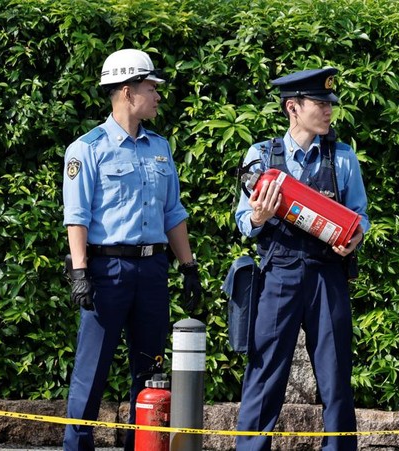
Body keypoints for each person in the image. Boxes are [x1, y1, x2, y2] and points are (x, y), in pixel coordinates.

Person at [61, 48, 202, 451]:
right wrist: (80, 272)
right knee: (92, 370)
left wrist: (188, 266)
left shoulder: (161, 148)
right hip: (107, 273)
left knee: (151, 372)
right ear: (127, 91)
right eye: (150, 87)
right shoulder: (87, 149)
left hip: (152, 271)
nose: (157, 95)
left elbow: (172, 211)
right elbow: (78, 216)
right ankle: (77, 447)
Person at [234, 67, 369, 451]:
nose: (329, 111)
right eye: (321, 103)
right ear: (293, 107)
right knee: (265, 371)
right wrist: (258, 217)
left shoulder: (343, 157)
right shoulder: (260, 155)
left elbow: (360, 216)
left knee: (335, 373)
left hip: (328, 275)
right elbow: (244, 221)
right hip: (278, 273)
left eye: (330, 104)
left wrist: (356, 237)